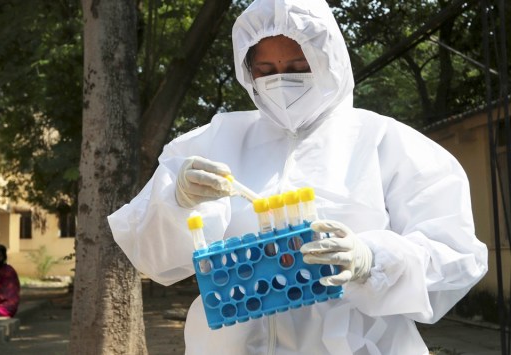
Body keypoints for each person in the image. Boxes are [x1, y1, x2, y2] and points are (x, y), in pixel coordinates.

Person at [109, 0, 489, 353]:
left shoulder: (386, 143)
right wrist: (176, 200)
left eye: (297, 68)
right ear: (248, 72)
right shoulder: (213, 142)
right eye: (266, 71)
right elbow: (150, 257)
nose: (281, 82)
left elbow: (456, 256)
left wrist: (372, 259)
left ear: (328, 61)